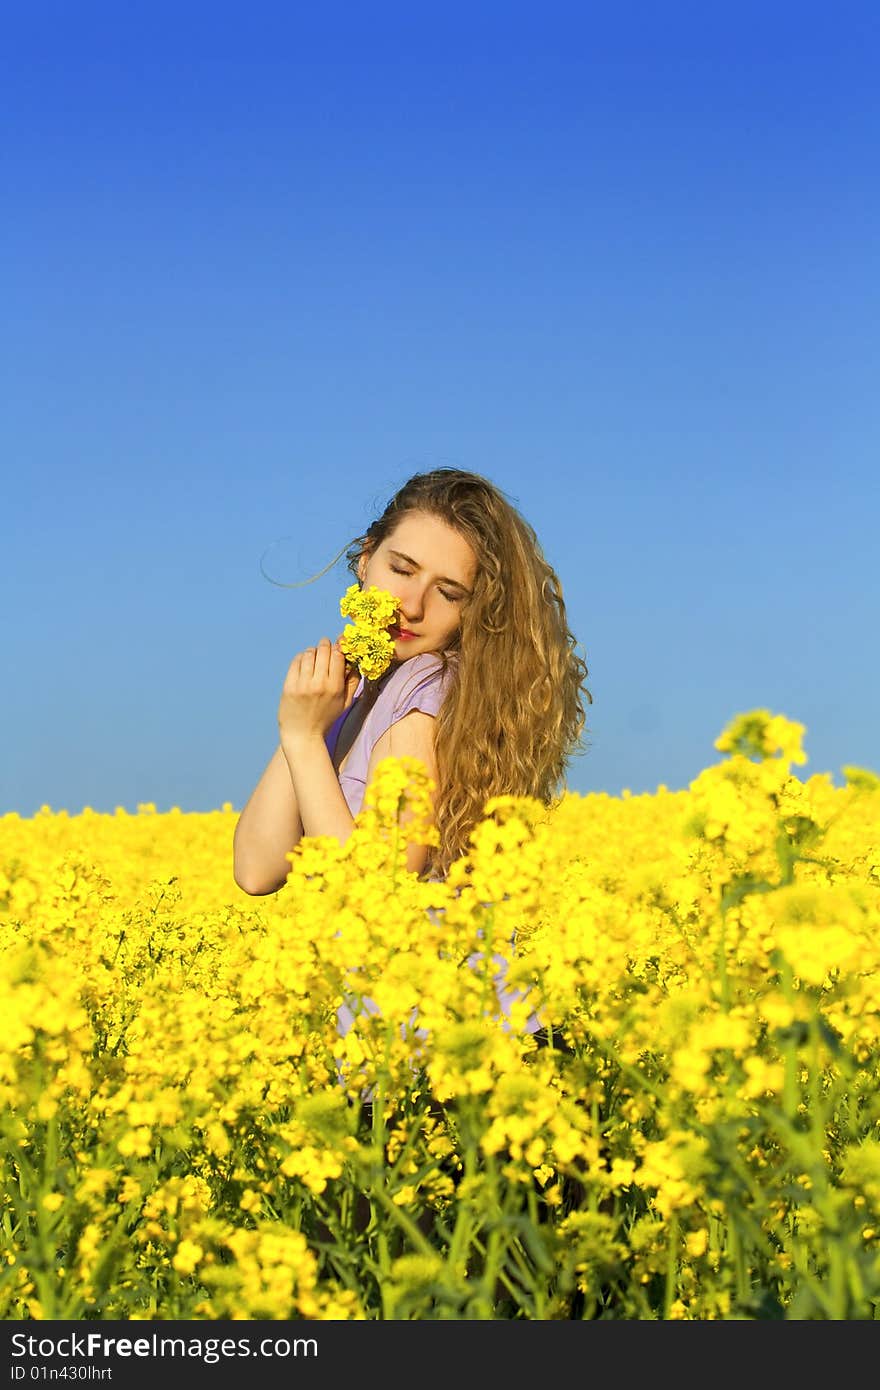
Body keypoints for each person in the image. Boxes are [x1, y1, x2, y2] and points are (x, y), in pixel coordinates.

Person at [232, 467, 591, 896]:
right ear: (366, 559)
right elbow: (256, 870)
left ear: (475, 609)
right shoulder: (364, 688)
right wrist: (303, 730)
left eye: (449, 592)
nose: (413, 606)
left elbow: (378, 898)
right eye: (402, 570)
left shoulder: (425, 688)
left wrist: (307, 738)